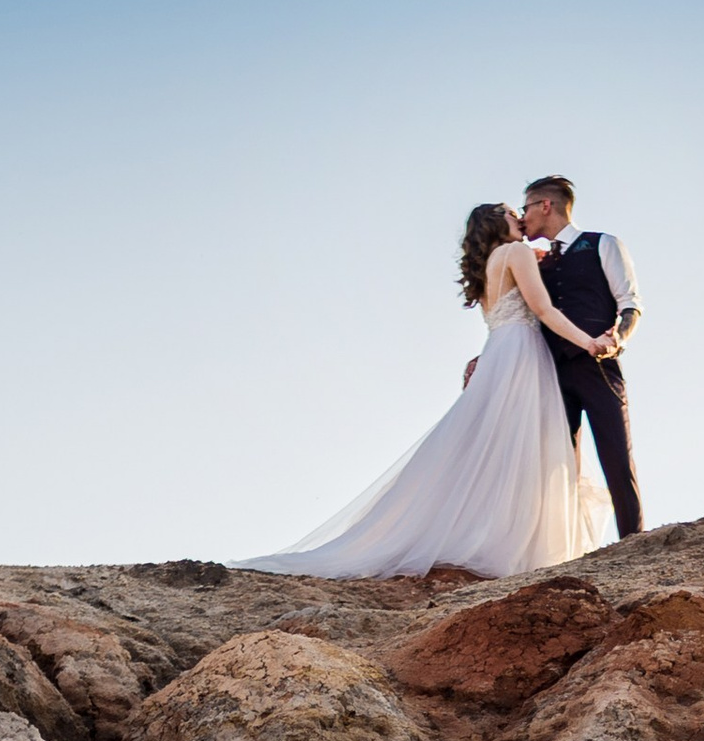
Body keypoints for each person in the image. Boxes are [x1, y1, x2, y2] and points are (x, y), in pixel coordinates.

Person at [240, 201, 620, 579]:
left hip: (500, 351)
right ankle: (512, 541)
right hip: (521, 353)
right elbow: (543, 310)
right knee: (520, 446)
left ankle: (487, 531)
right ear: (494, 223)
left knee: (493, 445)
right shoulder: (515, 252)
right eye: (509, 213)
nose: (518, 218)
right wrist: (588, 342)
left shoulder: (491, 263)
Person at [520, 176, 644, 539]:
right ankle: (565, 548)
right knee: (556, 467)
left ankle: (634, 542)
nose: (522, 216)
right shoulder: (534, 263)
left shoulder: (602, 244)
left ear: (546, 205)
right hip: (550, 371)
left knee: (616, 459)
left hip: (598, 366)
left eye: (526, 207)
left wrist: (617, 338)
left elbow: (631, 304)